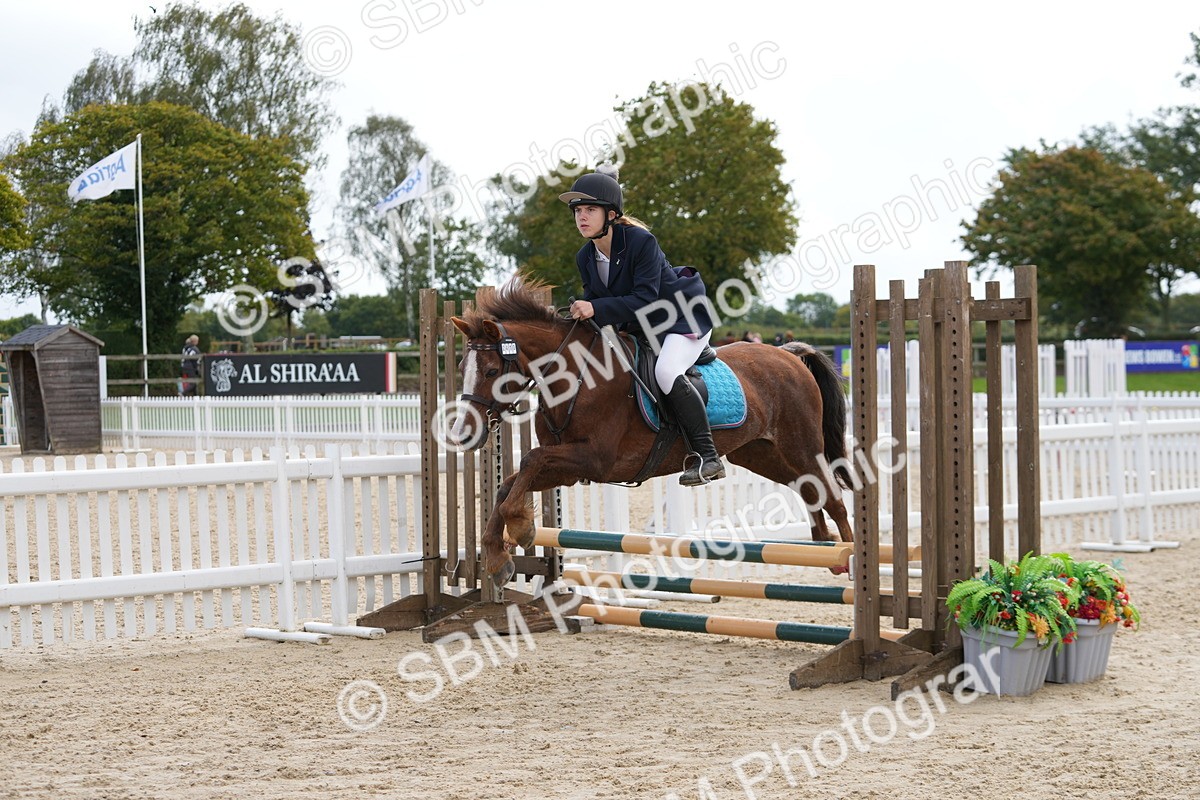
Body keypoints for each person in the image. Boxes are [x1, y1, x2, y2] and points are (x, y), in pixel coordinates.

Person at [560, 167, 724, 485]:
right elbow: (599, 309)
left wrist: (595, 307)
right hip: (641, 327)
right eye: (578, 211)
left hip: (679, 318)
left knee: (665, 372)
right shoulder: (585, 256)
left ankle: (708, 457)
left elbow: (645, 299)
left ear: (610, 214)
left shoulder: (639, 241)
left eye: (589, 210)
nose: (581, 217)